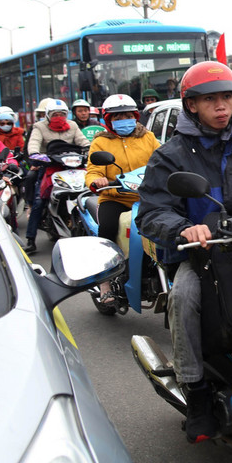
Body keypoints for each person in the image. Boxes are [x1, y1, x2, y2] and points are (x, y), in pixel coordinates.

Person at [136, 61, 232, 444]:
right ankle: (198, 392)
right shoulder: (171, 155)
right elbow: (152, 212)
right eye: (210, 100)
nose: (221, 107)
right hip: (202, 256)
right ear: (191, 105)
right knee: (184, 297)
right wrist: (183, 227)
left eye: (227, 98)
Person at [85, 94, 160, 305]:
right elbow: (93, 170)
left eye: (127, 116)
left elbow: (163, 158)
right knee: (106, 232)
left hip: (147, 197)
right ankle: (105, 283)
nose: (123, 120)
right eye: (118, 117)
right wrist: (97, 180)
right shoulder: (101, 142)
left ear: (135, 116)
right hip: (115, 198)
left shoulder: (148, 137)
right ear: (109, 120)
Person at [25, 99, 90, 252]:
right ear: (47, 115)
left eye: (62, 114)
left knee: (89, 194)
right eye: (55, 114)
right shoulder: (39, 127)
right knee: (39, 201)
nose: (59, 116)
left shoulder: (72, 125)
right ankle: (30, 239)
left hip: (73, 166)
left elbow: (83, 141)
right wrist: (36, 155)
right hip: (50, 167)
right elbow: (33, 144)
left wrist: (90, 150)